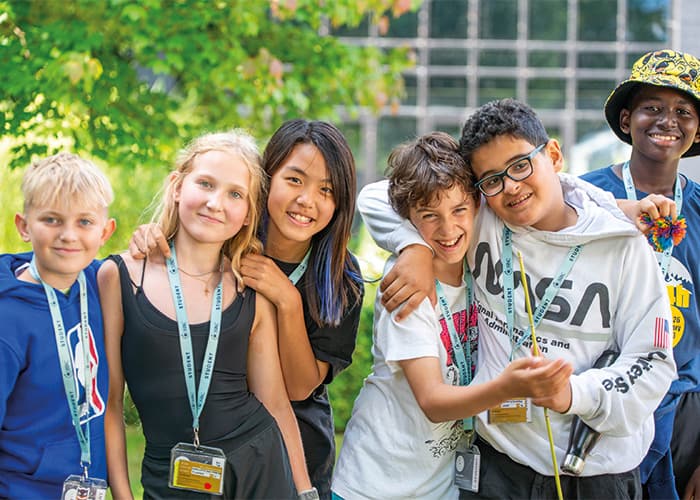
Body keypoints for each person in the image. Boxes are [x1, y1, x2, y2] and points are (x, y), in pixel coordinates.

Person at [356, 99, 676, 499]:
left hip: (595, 475)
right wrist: (412, 248)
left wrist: (574, 394)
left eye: (521, 165)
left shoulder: (623, 247)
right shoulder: (481, 219)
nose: (510, 186)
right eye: (491, 179)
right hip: (497, 467)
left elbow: (653, 362)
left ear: (554, 155)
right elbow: (376, 195)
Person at [130, 119, 365, 499]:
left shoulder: (339, 278)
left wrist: (286, 300)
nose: (307, 200)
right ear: (265, 179)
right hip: (213, 441)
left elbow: (300, 387)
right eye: (295, 180)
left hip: (296, 450)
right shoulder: (228, 238)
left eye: (327, 190)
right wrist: (151, 235)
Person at [331, 132, 573, 500]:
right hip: (375, 483)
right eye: (429, 217)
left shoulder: (480, 264)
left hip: (443, 483)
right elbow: (431, 401)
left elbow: (548, 196)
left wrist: (620, 209)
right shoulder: (407, 287)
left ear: (478, 205)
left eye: (459, 210)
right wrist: (507, 388)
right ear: (408, 218)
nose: (447, 229)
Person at [98, 130, 313, 499]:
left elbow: (275, 403)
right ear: (177, 186)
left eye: (235, 194)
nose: (216, 203)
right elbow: (109, 404)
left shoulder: (248, 289)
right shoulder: (120, 277)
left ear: (248, 214)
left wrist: (306, 492)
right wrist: (122, 495)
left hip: (259, 470)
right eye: (205, 184)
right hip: (170, 475)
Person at [581, 49, 700, 500]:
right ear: (627, 119)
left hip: (685, 407)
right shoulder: (586, 196)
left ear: (697, 128)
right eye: (652, 107)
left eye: (683, 111)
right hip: (600, 394)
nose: (667, 120)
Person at [0, 153, 116, 498]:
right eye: (51, 220)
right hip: (21, 490)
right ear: (23, 226)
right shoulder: (8, 318)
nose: (68, 235)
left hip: (86, 486)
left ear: (105, 231)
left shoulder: (102, 283)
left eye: (84, 222)